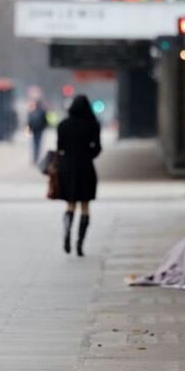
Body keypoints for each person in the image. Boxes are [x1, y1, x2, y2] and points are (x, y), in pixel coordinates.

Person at [56, 95, 101, 256]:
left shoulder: (63, 125)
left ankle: (67, 233)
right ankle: (80, 244)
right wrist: (87, 154)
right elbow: (97, 148)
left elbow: (60, 147)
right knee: (85, 206)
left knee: (70, 204)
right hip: (86, 168)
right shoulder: (92, 125)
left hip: (68, 169)